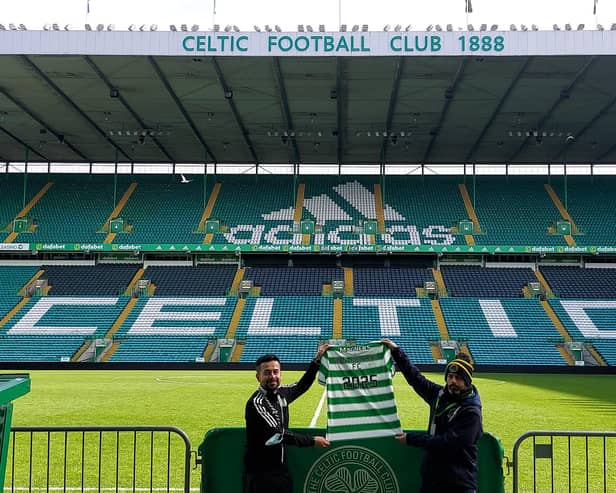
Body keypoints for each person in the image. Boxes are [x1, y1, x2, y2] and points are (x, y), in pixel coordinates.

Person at [381, 339, 483, 493]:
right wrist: (396, 352)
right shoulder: (440, 395)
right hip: (433, 480)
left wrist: (411, 439)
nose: (453, 381)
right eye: (450, 377)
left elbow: (448, 443)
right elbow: (416, 379)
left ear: (467, 381)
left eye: (459, 378)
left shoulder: (471, 411)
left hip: (459, 484)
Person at [244, 346, 330, 493]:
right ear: (258, 376)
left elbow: (302, 385)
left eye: (275, 372)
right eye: (267, 373)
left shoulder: (281, 394)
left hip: (281, 470)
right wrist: (312, 441)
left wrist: (316, 361)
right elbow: (278, 434)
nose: (272, 376)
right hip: (261, 474)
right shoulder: (257, 403)